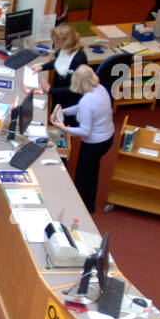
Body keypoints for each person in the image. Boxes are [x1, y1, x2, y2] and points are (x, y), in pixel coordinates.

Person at [50, 64, 114, 213]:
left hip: (94, 143)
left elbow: (85, 131)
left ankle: (79, 209)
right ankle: (89, 204)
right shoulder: (100, 88)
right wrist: (64, 112)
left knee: (82, 177)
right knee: (91, 172)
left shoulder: (87, 101)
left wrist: (65, 128)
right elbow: (82, 108)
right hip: (107, 138)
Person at [36, 22, 88, 110]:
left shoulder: (79, 59)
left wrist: (51, 90)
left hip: (70, 101)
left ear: (67, 42)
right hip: (59, 94)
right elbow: (58, 62)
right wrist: (42, 67)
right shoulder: (64, 49)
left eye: (58, 43)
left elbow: (77, 88)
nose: (56, 45)